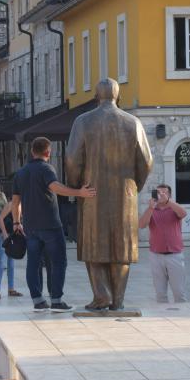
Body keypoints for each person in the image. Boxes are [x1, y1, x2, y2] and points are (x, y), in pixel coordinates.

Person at [66, 78, 153, 311]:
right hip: (125, 196)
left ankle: (101, 295)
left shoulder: (83, 121)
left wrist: (75, 186)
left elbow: (72, 159)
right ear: (118, 96)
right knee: (121, 249)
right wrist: (134, 186)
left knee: (94, 246)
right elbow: (146, 161)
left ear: (96, 96)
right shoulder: (133, 122)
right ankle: (118, 299)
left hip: (92, 193)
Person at [11, 137, 96, 313]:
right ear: (48, 153)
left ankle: (38, 301)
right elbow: (55, 187)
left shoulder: (21, 173)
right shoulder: (46, 168)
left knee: (33, 264)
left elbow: (15, 202)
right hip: (50, 224)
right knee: (58, 262)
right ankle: (56, 301)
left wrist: (16, 222)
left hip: (30, 226)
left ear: (32, 151)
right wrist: (79, 193)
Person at [139, 184, 188, 303]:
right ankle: (162, 313)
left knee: (179, 292)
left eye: (164, 192)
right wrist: (150, 208)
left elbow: (183, 213)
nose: (161, 195)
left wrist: (168, 202)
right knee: (160, 293)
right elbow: (141, 225)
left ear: (169, 195)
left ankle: (183, 313)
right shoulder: (151, 210)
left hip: (175, 255)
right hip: (156, 255)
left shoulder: (174, 208)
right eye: (158, 192)